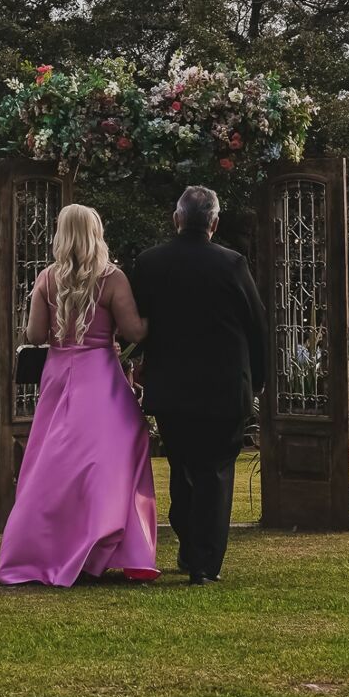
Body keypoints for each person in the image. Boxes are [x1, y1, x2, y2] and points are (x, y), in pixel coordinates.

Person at [0, 203, 158, 586]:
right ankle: (109, 543)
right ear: (95, 233)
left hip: (57, 376)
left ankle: (45, 547)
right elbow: (135, 331)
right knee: (120, 450)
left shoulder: (47, 279)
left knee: (54, 460)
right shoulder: (112, 279)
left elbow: (35, 336)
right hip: (100, 376)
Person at [127, 185, 267, 586]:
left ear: (177, 218)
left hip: (172, 388)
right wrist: (255, 381)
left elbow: (138, 325)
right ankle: (205, 563)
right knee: (216, 471)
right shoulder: (233, 265)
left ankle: (189, 549)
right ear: (215, 223)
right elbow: (256, 328)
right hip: (225, 388)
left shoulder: (150, 263)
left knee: (182, 466)